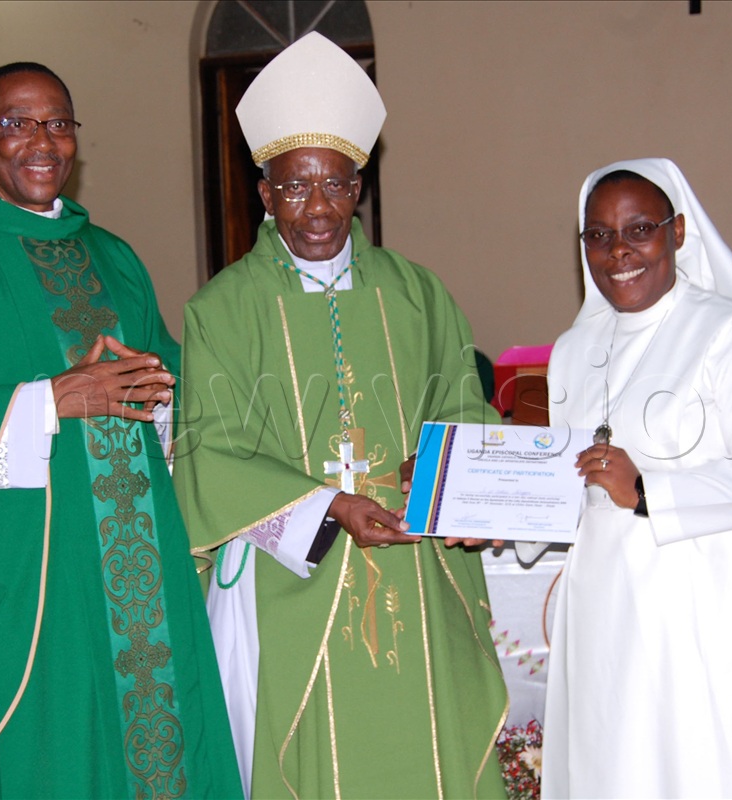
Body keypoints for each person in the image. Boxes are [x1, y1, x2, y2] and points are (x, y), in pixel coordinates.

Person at [0, 62, 240, 799]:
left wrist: (161, 389)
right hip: (22, 576)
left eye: (58, 123)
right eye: (17, 123)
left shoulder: (115, 258)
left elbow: (166, 387)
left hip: (134, 576)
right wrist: (45, 401)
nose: (42, 141)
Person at [175, 32, 509, 799]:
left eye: (334, 184)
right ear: (264, 194)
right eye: (294, 188)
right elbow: (210, 456)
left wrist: (450, 474)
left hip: (412, 560)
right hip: (285, 577)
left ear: (359, 187)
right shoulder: (221, 310)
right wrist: (331, 505)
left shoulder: (418, 293)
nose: (317, 207)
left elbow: (461, 407)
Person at [541, 157, 732, 798]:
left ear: (678, 233)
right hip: (610, 606)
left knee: (707, 761)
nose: (618, 251)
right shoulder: (573, 351)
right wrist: (500, 515)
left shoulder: (729, 331)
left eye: (640, 229)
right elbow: (566, 474)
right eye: (598, 235)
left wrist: (648, 492)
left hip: (715, 598)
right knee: (624, 761)